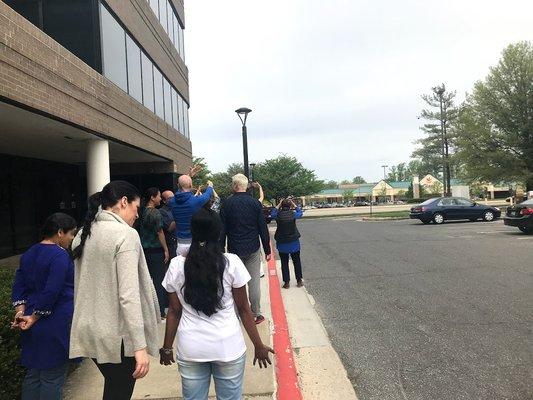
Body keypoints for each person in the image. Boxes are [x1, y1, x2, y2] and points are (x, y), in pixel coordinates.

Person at [159, 208, 274, 400]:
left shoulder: (176, 265)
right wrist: (258, 345)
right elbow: (244, 310)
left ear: (192, 232)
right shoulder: (231, 263)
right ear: (218, 232)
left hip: (191, 348)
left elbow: (174, 311)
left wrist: (167, 347)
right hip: (227, 346)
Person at [70, 181, 160, 400]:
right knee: (118, 392)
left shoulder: (84, 233)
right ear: (123, 202)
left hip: (89, 327)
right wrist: (139, 346)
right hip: (116, 334)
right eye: (136, 208)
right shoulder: (125, 235)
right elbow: (128, 295)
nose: (137, 215)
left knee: (114, 388)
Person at [11, 212, 77, 400]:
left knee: (33, 375)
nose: (72, 238)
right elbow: (52, 290)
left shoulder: (29, 253)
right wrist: (35, 317)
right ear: (59, 232)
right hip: (55, 321)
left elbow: (19, 285)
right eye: (71, 234)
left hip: (30, 320)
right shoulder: (59, 256)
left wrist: (22, 313)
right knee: (52, 377)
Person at [219, 174, 271, 324]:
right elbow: (263, 228)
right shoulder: (255, 204)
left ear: (234, 186)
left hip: (234, 248)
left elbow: (222, 230)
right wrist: (267, 249)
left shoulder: (227, 204)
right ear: (245, 186)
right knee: (254, 282)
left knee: (236, 283)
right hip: (253, 247)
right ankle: (255, 313)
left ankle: (237, 313)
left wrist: (221, 249)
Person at [139, 187, 170, 318]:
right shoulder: (155, 213)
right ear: (152, 197)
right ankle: (160, 311)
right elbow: (160, 232)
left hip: (143, 250)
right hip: (156, 251)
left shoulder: (140, 212)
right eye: (158, 196)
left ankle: (147, 311)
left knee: (146, 282)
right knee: (158, 281)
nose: (159, 199)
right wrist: (166, 249)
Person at [170, 171, 214, 256]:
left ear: (178, 185)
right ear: (191, 185)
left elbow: (180, 189)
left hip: (180, 244)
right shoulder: (195, 201)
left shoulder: (172, 202)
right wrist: (210, 186)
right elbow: (207, 195)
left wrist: (188, 176)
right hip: (194, 243)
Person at [272, 197, 304, 288]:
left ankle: (286, 282)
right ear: (290, 206)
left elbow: (272, 213)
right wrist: (294, 205)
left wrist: (279, 204)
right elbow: (300, 213)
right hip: (294, 242)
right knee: (296, 261)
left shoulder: (278, 215)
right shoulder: (293, 214)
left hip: (282, 242)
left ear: (282, 206)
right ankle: (299, 281)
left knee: (284, 262)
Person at [160, 190, 177, 259]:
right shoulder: (161, 212)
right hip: (171, 244)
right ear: (164, 201)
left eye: (174, 197)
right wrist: (179, 215)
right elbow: (169, 229)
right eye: (170, 198)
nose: (173, 199)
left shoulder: (177, 208)